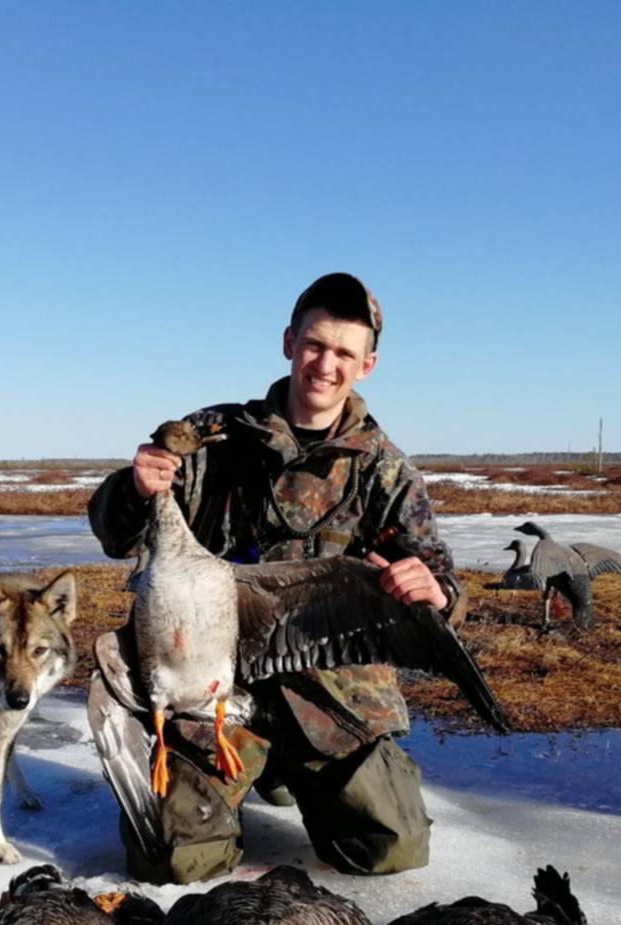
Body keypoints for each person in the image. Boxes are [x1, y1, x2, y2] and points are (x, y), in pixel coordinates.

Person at [87, 272, 463, 884]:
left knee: (391, 848)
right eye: (315, 345)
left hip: (329, 698)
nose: (326, 364)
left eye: (344, 352)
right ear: (289, 342)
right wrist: (134, 488)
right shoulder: (213, 438)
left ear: (366, 365)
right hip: (213, 688)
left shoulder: (385, 472)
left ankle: (294, 775)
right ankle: (224, 769)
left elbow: (437, 572)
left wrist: (439, 592)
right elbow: (116, 534)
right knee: (179, 858)